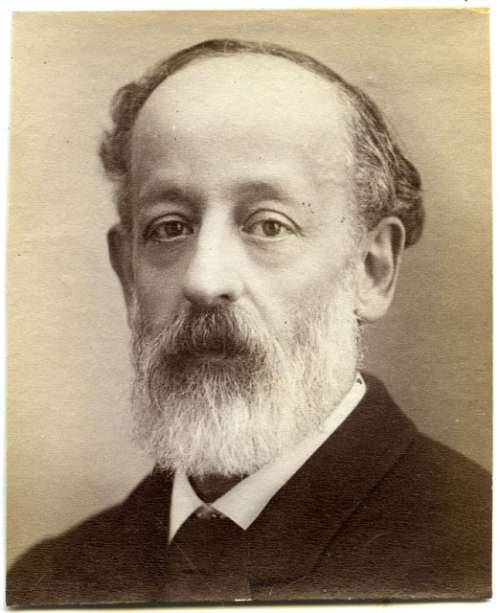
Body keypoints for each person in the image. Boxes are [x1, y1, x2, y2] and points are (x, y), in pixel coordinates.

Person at [6, 38, 491, 606]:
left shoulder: (476, 555)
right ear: (128, 275)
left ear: (371, 269)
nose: (204, 280)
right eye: (169, 227)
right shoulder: (48, 584)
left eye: (268, 225)